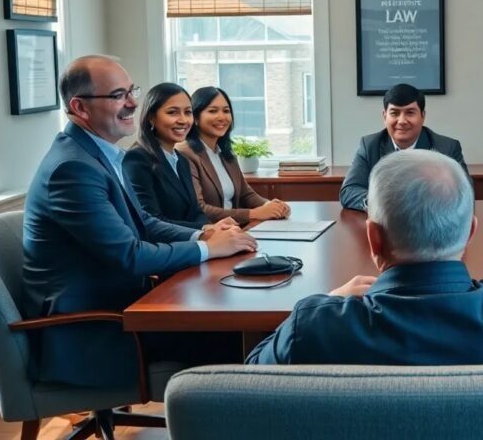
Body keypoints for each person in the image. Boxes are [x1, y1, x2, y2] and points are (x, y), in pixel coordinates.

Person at [248, 150, 483, 365]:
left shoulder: (316, 327)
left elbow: (254, 373)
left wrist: (329, 300)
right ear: (471, 232)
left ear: (373, 238)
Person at [23, 55, 257, 388]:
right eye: (118, 95)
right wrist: (209, 250)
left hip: (125, 308)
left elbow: (143, 222)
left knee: (239, 327)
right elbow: (129, 255)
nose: (133, 103)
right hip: (94, 332)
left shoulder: (99, 155)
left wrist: (204, 233)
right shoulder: (72, 169)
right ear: (80, 107)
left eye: (131, 91)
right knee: (241, 338)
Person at [340, 83, 469, 211]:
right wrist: (383, 204)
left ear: (422, 116)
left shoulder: (446, 148)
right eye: (394, 113)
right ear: (384, 116)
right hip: (385, 222)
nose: (402, 121)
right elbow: (349, 191)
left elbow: (465, 194)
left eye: (410, 113)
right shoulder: (369, 146)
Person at [176, 86, 290, 225]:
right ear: (195, 118)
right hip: (210, 232)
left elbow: (246, 194)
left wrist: (271, 206)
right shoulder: (185, 153)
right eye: (213, 111)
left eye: (226, 111)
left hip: (236, 229)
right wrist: (254, 213)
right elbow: (200, 208)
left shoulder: (226, 153)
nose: (222, 117)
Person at [122, 83, 211, 229]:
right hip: (165, 242)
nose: (183, 120)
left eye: (188, 112)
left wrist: (215, 228)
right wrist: (204, 229)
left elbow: (195, 211)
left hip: (196, 239)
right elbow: (151, 221)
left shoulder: (182, 160)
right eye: (173, 112)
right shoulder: (137, 159)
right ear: (151, 118)